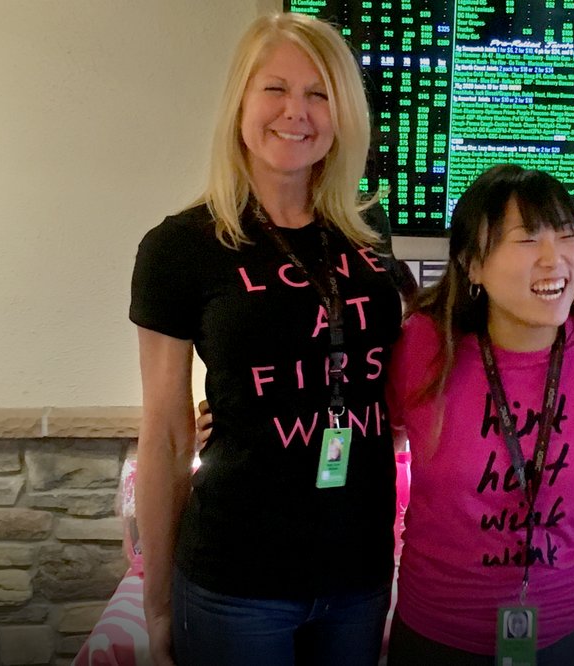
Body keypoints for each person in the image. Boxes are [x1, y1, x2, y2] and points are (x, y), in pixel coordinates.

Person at [129, 13, 400, 666]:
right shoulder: (179, 248)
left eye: (319, 93)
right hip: (236, 579)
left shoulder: (368, 233)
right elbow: (166, 434)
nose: (296, 112)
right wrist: (157, 602)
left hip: (358, 570)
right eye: (275, 89)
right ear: (240, 103)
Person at [385, 164, 574, 665]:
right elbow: (378, 441)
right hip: (438, 631)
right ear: (473, 265)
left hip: (571, 628)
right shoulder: (424, 347)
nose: (554, 258)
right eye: (528, 239)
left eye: (566, 235)